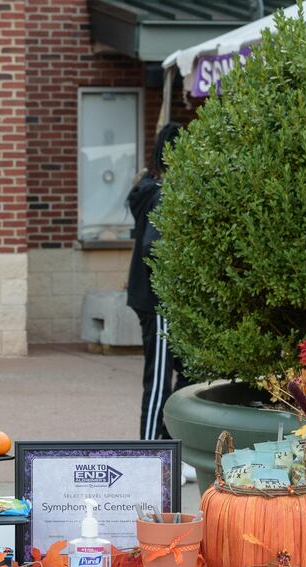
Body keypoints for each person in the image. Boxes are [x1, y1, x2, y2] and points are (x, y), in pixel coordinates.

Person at [127, 122, 192, 447]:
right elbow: (153, 246)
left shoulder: (149, 188)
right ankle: (151, 452)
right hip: (159, 301)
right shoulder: (163, 196)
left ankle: (168, 442)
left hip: (155, 299)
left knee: (189, 371)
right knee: (158, 380)